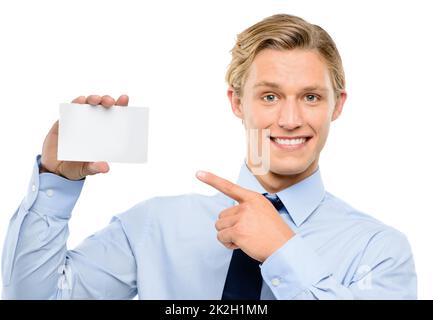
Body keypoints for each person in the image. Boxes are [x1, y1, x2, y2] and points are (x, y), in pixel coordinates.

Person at [2, 14, 416, 300]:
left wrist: (283, 252)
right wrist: (56, 182)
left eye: (310, 97)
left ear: (336, 105)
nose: (290, 119)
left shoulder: (379, 250)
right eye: (269, 96)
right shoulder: (153, 227)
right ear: (238, 103)